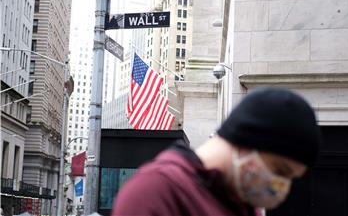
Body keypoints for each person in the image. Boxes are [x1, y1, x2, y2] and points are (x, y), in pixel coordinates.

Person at [112, 87, 321, 216]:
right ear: (247, 142)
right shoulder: (156, 191)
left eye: (291, 179)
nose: (281, 187)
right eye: (280, 170)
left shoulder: (241, 203)